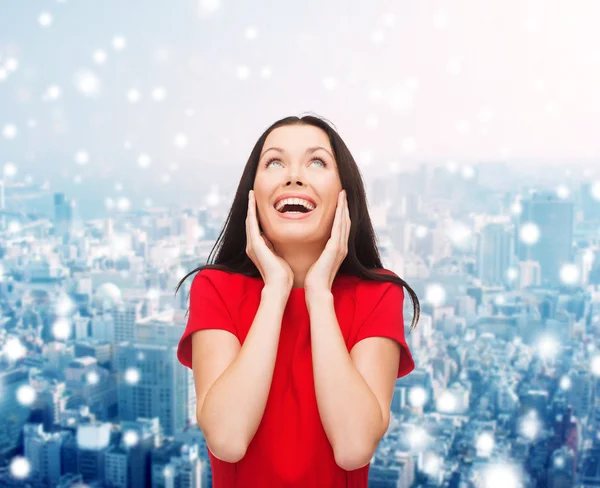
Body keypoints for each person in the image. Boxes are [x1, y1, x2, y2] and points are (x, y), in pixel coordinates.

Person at [175, 113, 420, 487]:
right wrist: (275, 289)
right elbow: (226, 439)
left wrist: (320, 293)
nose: (293, 176)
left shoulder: (379, 294)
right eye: (274, 162)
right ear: (251, 194)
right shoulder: (215, 288)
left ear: (344, 194)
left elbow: (354, 447)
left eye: (317, 161)